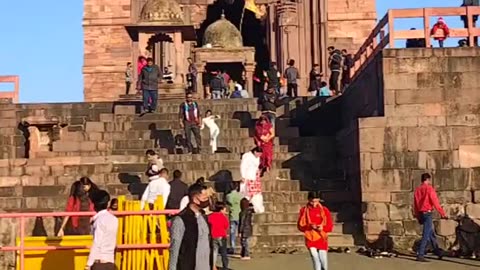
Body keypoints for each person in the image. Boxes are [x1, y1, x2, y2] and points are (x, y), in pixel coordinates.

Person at [168, 183, 213, 270]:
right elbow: (175, 248)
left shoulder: (204, 217)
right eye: (205, 198)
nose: (207, 201)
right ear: (195, 199)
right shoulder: (180, 220)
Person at [414, 173, 447, 262]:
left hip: (421, 213)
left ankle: (437, 251)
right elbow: (435, 202)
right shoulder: (429, 189)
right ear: (428, 179)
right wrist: (443, 213)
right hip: (427, 213)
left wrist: (417, 215)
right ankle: (420, 254)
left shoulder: (417, 190)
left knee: (430, 233)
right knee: (426, 234)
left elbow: (416, 204)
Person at [297, 191, 333, 270]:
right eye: (312, 201)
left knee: (323, 260)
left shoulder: (324, 210)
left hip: (321, 236)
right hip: (310, 236)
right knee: (315, 257)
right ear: (308, 200)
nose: (314, 204)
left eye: (316, 201)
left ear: (319, 200)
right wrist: (309, 226)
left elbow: (330, 226)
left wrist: (322, 227)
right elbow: (300, 226)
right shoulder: (303, 210)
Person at [86, 190, 118, 270]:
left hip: (99, 262)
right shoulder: (114, 219)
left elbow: (97, 243)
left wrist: (88, 264)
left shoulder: (99, 220)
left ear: (94, 205)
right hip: (110, 261)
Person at [240, 147, 264, 214]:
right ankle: (247, 207)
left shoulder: (257, 158)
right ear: (255, 152)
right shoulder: (247, 156)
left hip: (255, 176)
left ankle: (257, 207)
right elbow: (243, 166)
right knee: (247, 193)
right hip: (248, 176)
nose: (259, 156)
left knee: (256, 193)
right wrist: (243, 176)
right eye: (258, 154)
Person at [208, 202, 229, 270]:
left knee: (214, 251)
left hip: (213, 235)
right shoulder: (223, 216)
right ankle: (225, 266)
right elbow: (226, 226)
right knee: (224, 252)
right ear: (221, 209)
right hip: (222, 235)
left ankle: (213, 266)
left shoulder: (210, 216)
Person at [226, 181, 243, 254]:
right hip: (240, 215)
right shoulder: (241, 195)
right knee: (241, 232)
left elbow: (228, 203)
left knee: (232, 233)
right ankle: (243, 246)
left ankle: (232, 247)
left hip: (233, 215)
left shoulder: (228, 196)